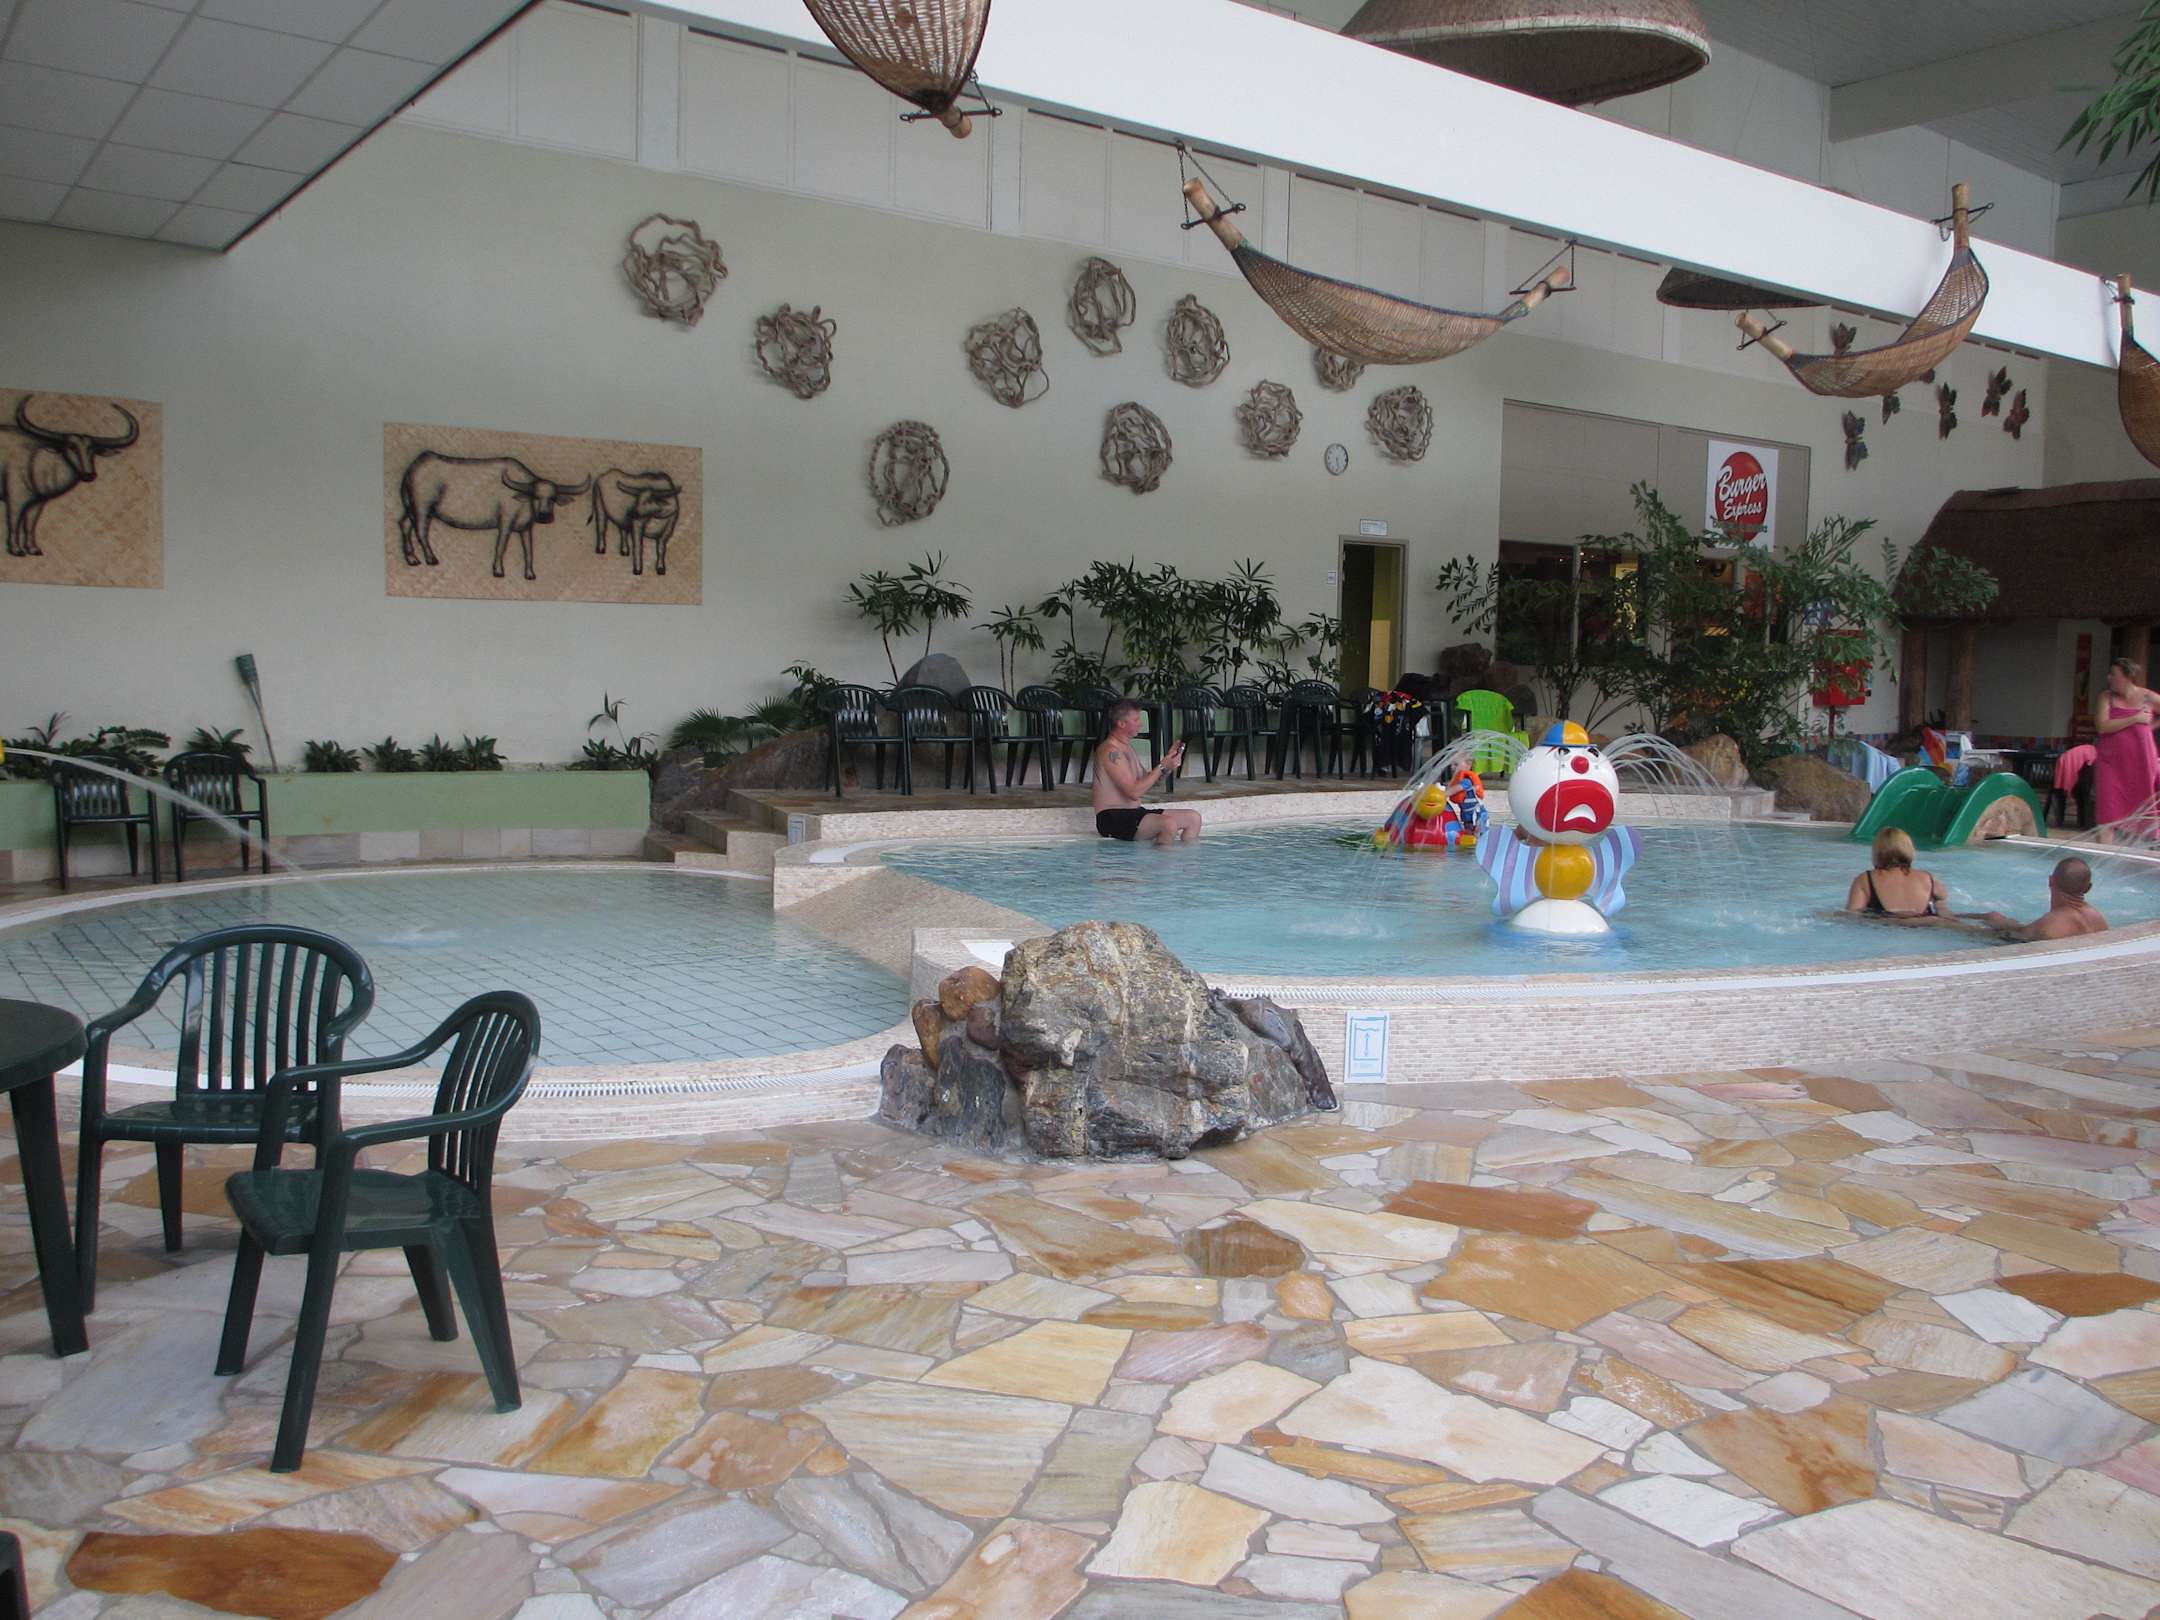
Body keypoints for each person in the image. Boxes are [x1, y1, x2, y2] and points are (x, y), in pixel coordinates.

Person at [1092, 699, 1201, 844]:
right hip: (1111, 817)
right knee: (1168, 824)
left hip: (1135, 813)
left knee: (1193, 818)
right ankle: (1162, 857)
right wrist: (1161, 766)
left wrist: (1168, 765)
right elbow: (1133, 792)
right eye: (1136, 719)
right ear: (1121, 723)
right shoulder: (1110, 751)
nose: (1141, 724)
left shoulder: (1127, 748)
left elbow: (1152, 782)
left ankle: (1188, 858)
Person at [2090, 657, 2160, 840]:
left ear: (2127, 676)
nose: (2109, 678)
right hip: (2111, 762)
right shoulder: (2106, 697)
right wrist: (2135, 719)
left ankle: (2141, 849)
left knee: (2143, 804)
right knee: (2107, 809)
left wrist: (2150, 727)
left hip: (2141, 760)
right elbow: (2102, 726)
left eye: (2114, 674)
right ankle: (2103, 852)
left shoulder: (2148, 697)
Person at [1965, 856, 2108, 942]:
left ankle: (1951, 919)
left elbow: (2013, 939)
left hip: (2025, 940)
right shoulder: (2099, 919)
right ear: (2088, 888)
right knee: (1994, 916)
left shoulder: (2050, 925)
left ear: (2051, 880)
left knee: (1974, 928)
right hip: (2034, 933)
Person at [1845, 827, 1948, 922]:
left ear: (1877, 851)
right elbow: (1944, 908)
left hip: (1887, 925)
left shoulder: (1865, 880)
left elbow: (1852, 916)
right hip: (1927, 925)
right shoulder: (1929, 879)